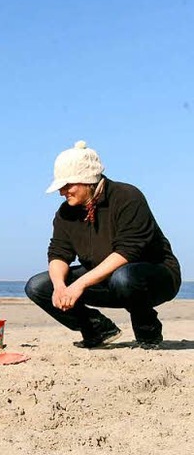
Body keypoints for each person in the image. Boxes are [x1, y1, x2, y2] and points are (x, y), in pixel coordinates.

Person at [24, 141, 181, 349]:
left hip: (154, 277)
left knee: (124, 277)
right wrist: (60, 286)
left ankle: (148, 332)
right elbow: (58, 253)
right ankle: (97, 328)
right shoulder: (65, 212)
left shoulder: (128, 197)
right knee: (38, 286)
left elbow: (128, 252)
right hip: (103, 279)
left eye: (67, 185)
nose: (62, 192)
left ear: (87, 180)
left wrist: (78, 285)